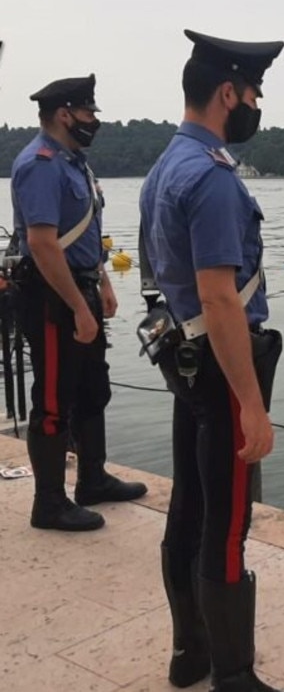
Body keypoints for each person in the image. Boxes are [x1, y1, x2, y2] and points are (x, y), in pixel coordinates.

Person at [140, 30, 284, 692]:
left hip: (185, 361)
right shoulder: (214, 178)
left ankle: (189, 653)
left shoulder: (164, 166)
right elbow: (219, 296)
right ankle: (233, 674)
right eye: (254, 91)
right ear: (228, 92)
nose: (256, 103)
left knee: (188, 509)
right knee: (228, 521)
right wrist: (252, 401)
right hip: (225, 368)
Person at [9, 74, 147, 532]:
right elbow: (44, 244)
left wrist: (102, 282)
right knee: (52, 398)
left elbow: (81, 235)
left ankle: (93, 479)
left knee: (92, 387)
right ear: (65, 114)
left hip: (81, 285)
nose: (93, 121)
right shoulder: (42, 164)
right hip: (53, 296)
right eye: (89, 112)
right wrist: (78, 306)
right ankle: (49, 502)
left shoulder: (75, 164)